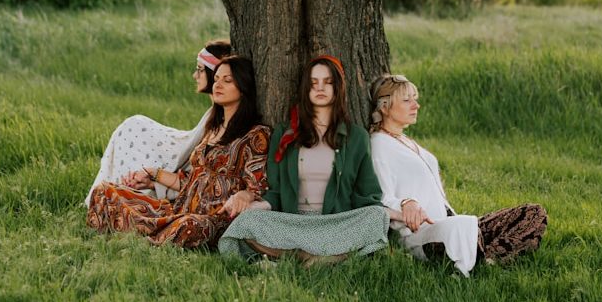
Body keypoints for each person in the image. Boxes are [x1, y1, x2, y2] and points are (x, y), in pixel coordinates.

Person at [369, 74, 547, 276]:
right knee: (460, 227)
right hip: (423, 234)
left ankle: (485, 259)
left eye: (415, 99)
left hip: (450, 222)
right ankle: (476, 257)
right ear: (385, 108)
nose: (416, 105)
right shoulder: (379, 145)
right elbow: (381, 198)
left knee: (533, 213)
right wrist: (406, 203)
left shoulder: (406, 141)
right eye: (406, 100)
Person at [87, 55, 271, 249]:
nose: (218, 85)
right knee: (104, 191)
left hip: (211, 219)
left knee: (188, 227)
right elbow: (191, 183)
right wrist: (153, 175)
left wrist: (245, 195)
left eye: (227, 80)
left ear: (243, 86)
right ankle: (145, 234)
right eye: (216, 79)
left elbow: (257, 187)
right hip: (179, 209)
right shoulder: (212, 128)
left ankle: (136, 234)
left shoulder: (255, 135)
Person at [219, 55, 389, 263]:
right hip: (292, 223)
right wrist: (253, 208)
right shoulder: (284, 133)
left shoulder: (357, 137)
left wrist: (394, 213)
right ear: (305, 88)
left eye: (328, 82)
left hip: (335, 224)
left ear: (338, 87)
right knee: (247, 221)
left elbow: (368, 195)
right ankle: (320, 258)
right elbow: (276, 192)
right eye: (313, 83)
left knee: (376, 217)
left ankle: (296, 257)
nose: (320, 88)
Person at [84, 40, 231, 206]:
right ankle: (122, 190)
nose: (194, 75)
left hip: (196, 192)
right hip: (184, 183)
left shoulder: (223, 119)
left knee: (134, 128)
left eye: (200, 69)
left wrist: (155, 177)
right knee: (134, 126)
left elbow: (197, 171)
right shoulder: (214, 114)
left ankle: (123, 195)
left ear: (213, 72)